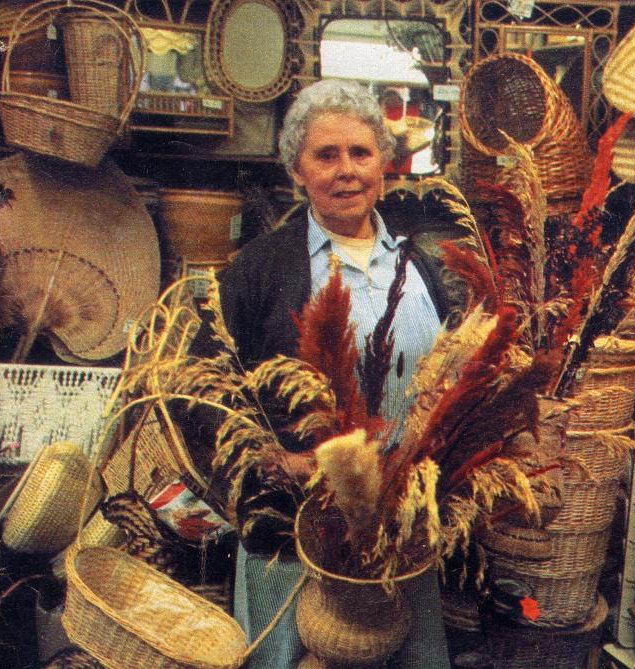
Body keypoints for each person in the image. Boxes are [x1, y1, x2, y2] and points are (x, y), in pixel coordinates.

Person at [194, 79, 453, 669]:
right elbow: (205, 388)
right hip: (295, 535)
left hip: (398, 534)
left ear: (384, 166)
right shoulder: (259, 271)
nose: (346, 171)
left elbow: (448, 382)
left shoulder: (417, 266)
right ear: (297, 171)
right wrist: (270, 459)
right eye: (325, 155)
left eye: (361, 154)